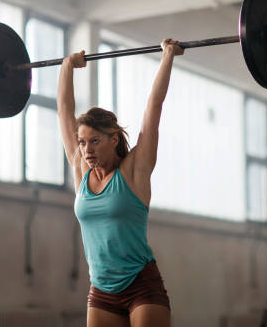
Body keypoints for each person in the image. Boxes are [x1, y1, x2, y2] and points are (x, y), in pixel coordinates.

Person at [57, 38, 184, 327]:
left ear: (113, 139)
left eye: (95, 141)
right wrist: (67, 67)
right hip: (101, 290)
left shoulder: (134, 170)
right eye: (82, 142)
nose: (86, 149)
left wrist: (168, 57)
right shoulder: (81, 169)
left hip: (142, 285)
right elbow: (65, 112)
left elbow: (154, 108)